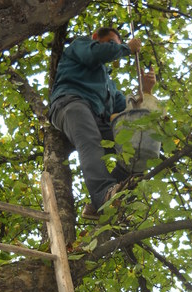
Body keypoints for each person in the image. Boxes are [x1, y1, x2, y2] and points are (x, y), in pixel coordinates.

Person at [48, 26, 156, 219]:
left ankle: (104, 200)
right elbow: (95, 54)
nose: (114, 50)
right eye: (111, 44)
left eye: (117, 46)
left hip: (95, 119)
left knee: (135, 141)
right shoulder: (81, 46)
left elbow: (127, 112)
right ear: (96, 37)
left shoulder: (108, 84)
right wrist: (126, 49)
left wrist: (145, 91)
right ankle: (103, 193)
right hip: (71, 103)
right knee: (90, 140)